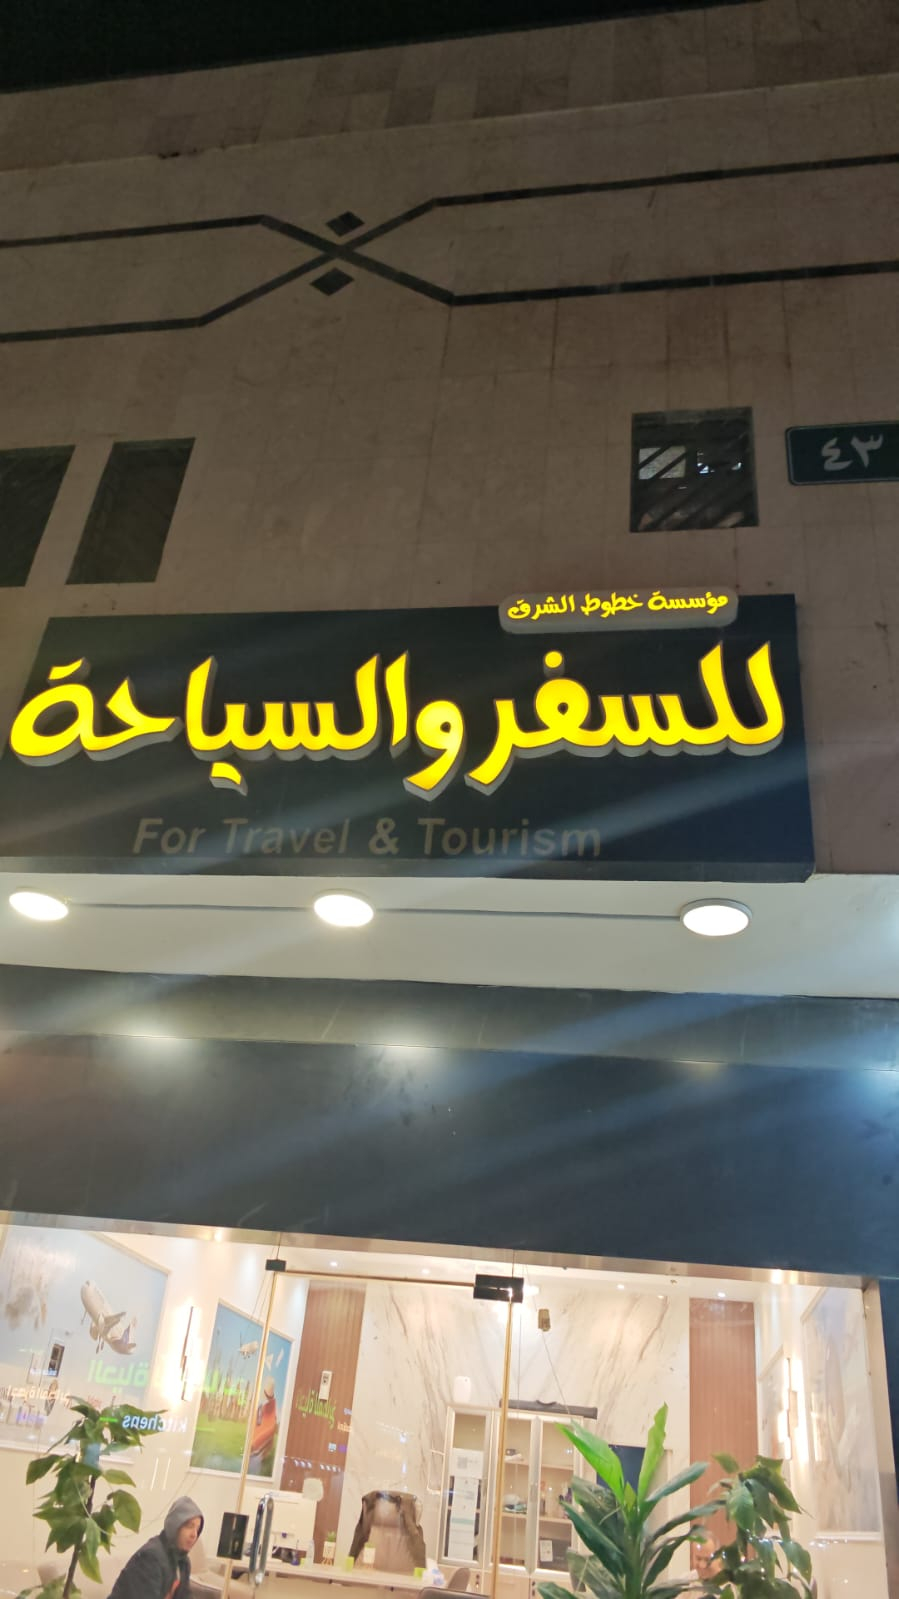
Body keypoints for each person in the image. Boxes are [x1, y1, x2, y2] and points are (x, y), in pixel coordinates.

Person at [108, 1497, 204, 1599]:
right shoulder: (150, 1557)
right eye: (189, 1526)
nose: (194, 1534)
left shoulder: (183, 1562)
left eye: (197, 1529)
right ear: (175, 1526)